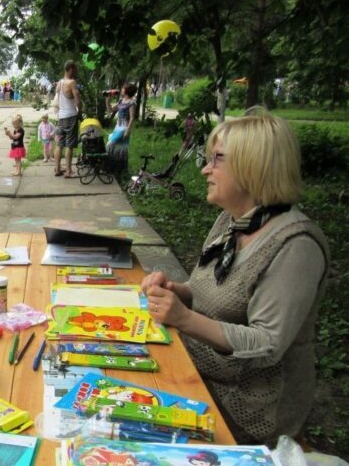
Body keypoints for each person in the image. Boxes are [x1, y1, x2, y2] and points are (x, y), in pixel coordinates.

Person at [141, 109, 329, 445]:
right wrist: (176, 291)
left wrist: (183, 318)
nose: (205, 169)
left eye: (217, 159)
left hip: (249, 413)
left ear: (252, 165)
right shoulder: (233, 221)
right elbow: (207, 293)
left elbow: (267, 344)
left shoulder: (296, 245)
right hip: (198, 373)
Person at [54, 60, 82, 178]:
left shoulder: (59, 83)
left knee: (59, 145)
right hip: (71, 117)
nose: (76, 71)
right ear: (70, 69)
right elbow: (78, 100)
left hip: (60, 118)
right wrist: (80, 113)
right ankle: (69, 171)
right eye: (75, 69)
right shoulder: (72, 82)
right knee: (69, 145)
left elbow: (56, 100)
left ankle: (57, 169)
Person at [105, 83, 137, 151]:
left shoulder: (132, 103)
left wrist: (127, 131)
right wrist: (107, 100)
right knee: (118, 147)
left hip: (124, 128)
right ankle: (115, 157)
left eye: (123, 88)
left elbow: (132, 118)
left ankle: (108, 156)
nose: (121, 90)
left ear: (127, 91)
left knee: (110, 145)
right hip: (117, 126)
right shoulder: (121, 101)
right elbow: (110, 110)